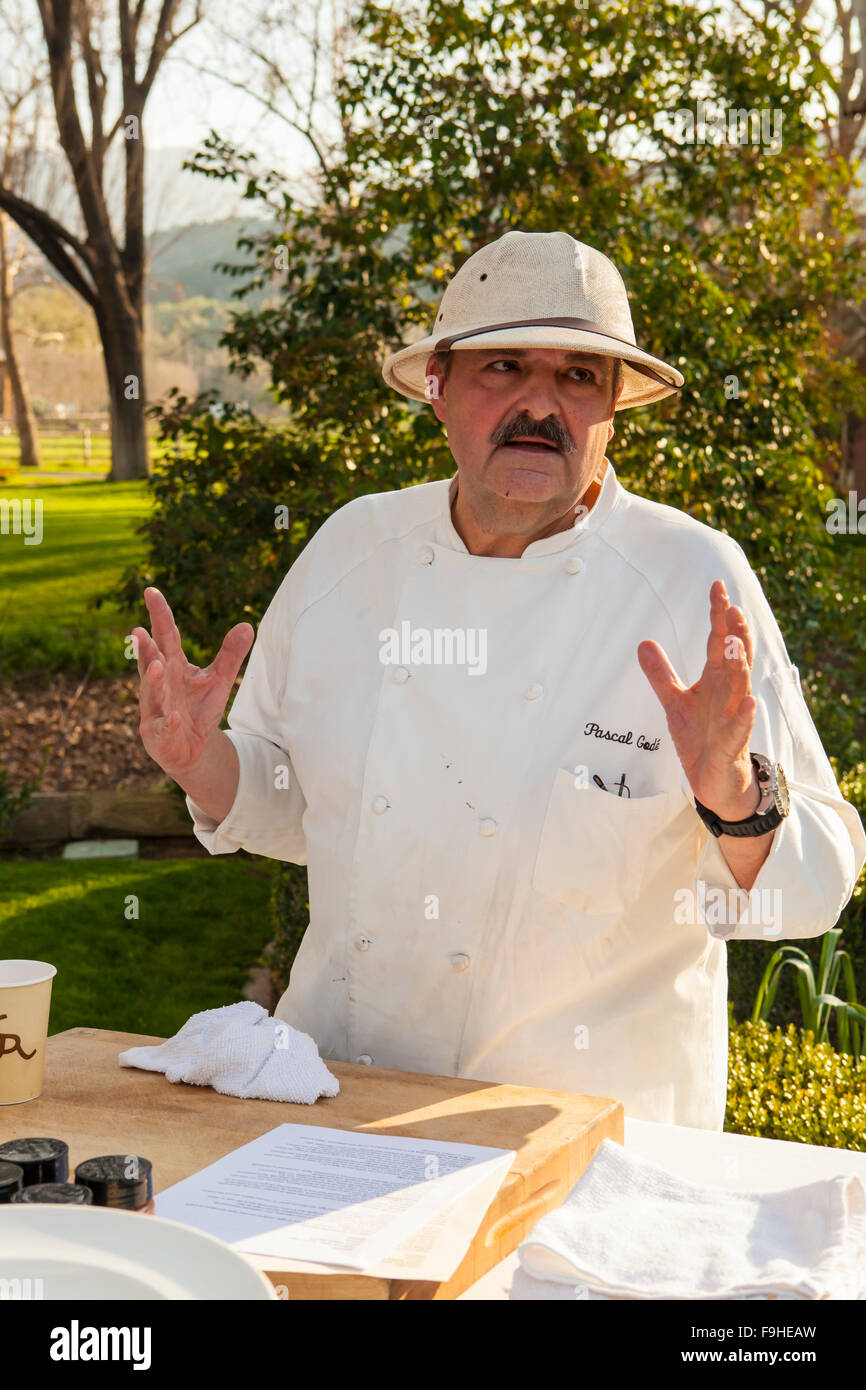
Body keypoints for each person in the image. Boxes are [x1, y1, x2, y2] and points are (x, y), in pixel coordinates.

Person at [134, 230, 865, 1129]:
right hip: (337, 1102)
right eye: (505, 366)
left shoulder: (690, 579)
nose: (540, 405)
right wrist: (199, 760)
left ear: (610, 412)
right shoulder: (353, 551)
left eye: (578, 377)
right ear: (437, 389)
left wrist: (732, 792)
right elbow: (299, 808)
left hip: (585, 1144)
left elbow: (816, 883)